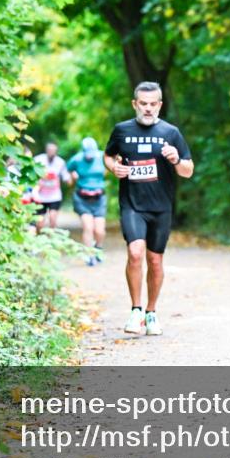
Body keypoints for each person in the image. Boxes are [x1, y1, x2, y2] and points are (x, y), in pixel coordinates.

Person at [104, 81, 194, 336]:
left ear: (160, 105)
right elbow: (109, 155)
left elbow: (188, 170)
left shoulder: (171, 133)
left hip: (161, 207)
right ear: (135, 104)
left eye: (153, 104)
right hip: (132, 204)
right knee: (135, 253)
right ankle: (135, 310)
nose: (148, 108)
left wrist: (176, 159)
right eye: (143, 104)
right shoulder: (122, 131)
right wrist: (113, 168)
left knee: (155, 261)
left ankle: (151, 313)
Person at [67, 137, 108, 266]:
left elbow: (109, 168)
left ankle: (98, 249)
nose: (90, 157)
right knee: (88, 227)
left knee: (99, 230)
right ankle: (89, 255)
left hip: (99, 197)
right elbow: (68, 175)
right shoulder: (76, 159)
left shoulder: (102, 157)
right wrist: (73, 177)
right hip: (82, 197)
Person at [32, 142, 71, 233]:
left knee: (53, 219)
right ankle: (39, 237)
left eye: (53, 151)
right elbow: (31, 173)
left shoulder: (60, 162)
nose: (51, 152)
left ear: (56, 152)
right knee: (40, 222)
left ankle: (51, 238)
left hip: (55, 196)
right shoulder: (38, 160)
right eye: (50, 150)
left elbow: (65, 177)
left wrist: (70, 179)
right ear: (46, 150)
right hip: (40, 196)